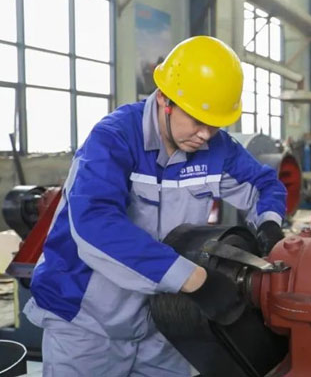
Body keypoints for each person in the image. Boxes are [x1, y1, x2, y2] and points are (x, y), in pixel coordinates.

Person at [23, 36, 287, 376]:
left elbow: (264, 184)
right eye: (197, 120)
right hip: (85, 323)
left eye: (215, 124)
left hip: (160, 323)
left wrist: (269, 224)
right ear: (165, 99)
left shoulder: (216, 148)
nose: (205, 135)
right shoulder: (115, 138)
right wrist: (195, 279)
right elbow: (96, 225)